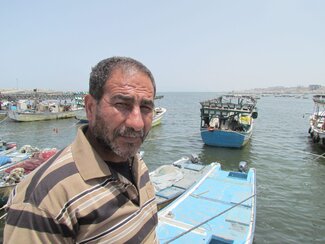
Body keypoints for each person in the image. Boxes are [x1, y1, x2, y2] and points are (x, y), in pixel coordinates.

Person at [4, 57, 158, 243]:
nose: (137, 123)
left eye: (146, 107)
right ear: (90, 107)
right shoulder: (43, 200)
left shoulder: (136, 162)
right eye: (122, 105)